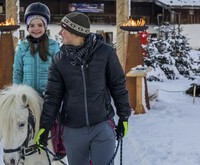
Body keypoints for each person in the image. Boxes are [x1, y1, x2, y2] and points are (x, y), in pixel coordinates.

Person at [0, 2, 65, 164]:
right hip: (26, 97)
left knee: (59, 118)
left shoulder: (53, 46)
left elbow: (59, 72)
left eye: (40, 25)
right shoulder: (22, 47)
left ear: (45, 26)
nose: (36, 29)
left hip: (47, 96)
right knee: (8, 116)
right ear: (27, 27)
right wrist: (16, 93)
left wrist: (56, 92)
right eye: (32, 25)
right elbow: (17, 72)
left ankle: (59, 145)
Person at [35, 12, 131, 165]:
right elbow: (53, 96)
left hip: (102, 125)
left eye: (63, 29)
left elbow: (118, 85)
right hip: (73, 130)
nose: (60, 33)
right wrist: (45, 126)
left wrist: (124, 116)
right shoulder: (59, 61)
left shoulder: (105, 53)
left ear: (76, 32)